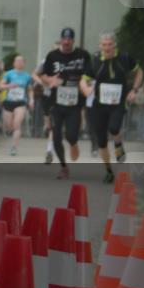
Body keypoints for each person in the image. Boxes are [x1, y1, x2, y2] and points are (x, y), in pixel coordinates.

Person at [80, 32, 142, 183]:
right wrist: (85, 89)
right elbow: (83, 80)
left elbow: (139, 72)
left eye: (109, 45)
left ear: (115, 45)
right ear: (100, 46)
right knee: (101, 140)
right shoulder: (95, 60)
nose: (107, 48)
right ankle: (108, 170)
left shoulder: (124, 58)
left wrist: (134, 90)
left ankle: (118, 144)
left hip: (118, 103)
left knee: (114, 128)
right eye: (104, 45)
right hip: (98, 105)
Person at [34, 28, 92, 180]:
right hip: (56, 103)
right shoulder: (52, 56)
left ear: (73, 40)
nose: (66, 42)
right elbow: (43, 75)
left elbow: (89, 75)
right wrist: (50, 80)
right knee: (56, 136)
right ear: (61, 39)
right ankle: (64, 167)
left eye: (69, 40)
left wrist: (84, 84)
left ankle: (73, 143)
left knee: (71, 135)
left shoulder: (82, 55)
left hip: (74, 103)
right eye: (64, 40)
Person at [0, 55, 33, 156]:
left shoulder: (27, 76)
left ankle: (14, 147)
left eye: (21, 61)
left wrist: (32, 100)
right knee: (10, 126)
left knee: (17, 124)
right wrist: (9, 85)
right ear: (14, 63)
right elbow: (1, 86)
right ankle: (12, 132)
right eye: (17, 61)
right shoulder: (8, 74)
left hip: (20, 102)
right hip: (9, 102)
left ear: (24, 63)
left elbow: (30, 90)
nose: (19, 63)